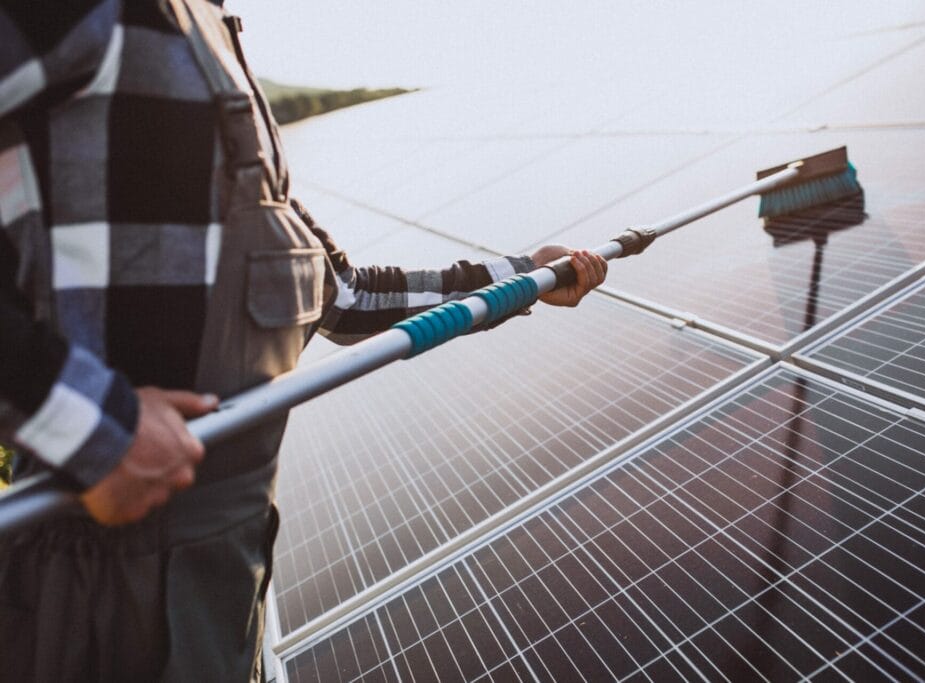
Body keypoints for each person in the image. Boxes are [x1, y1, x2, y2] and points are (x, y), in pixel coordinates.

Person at [0, 0, 607, 680]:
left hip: (221, 583)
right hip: (99, 596)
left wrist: (524, 278)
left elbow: (346, 298)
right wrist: (89, 426)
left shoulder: (212, 48)